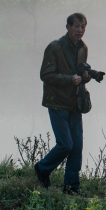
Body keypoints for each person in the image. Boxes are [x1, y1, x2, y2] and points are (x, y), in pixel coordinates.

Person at [34, 12, 93, 195]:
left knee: (76, 146)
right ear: (67, 27)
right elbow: (46, 75)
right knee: (66, 144)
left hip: (75, 103)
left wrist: (85, 77)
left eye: (83, 27)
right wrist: (70, 79)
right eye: (76, 26)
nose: (80, 30)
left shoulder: (83, 48)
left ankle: (71, 188)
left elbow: (78, 76)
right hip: (57, 103)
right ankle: (42, 169)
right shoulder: (54, 47)